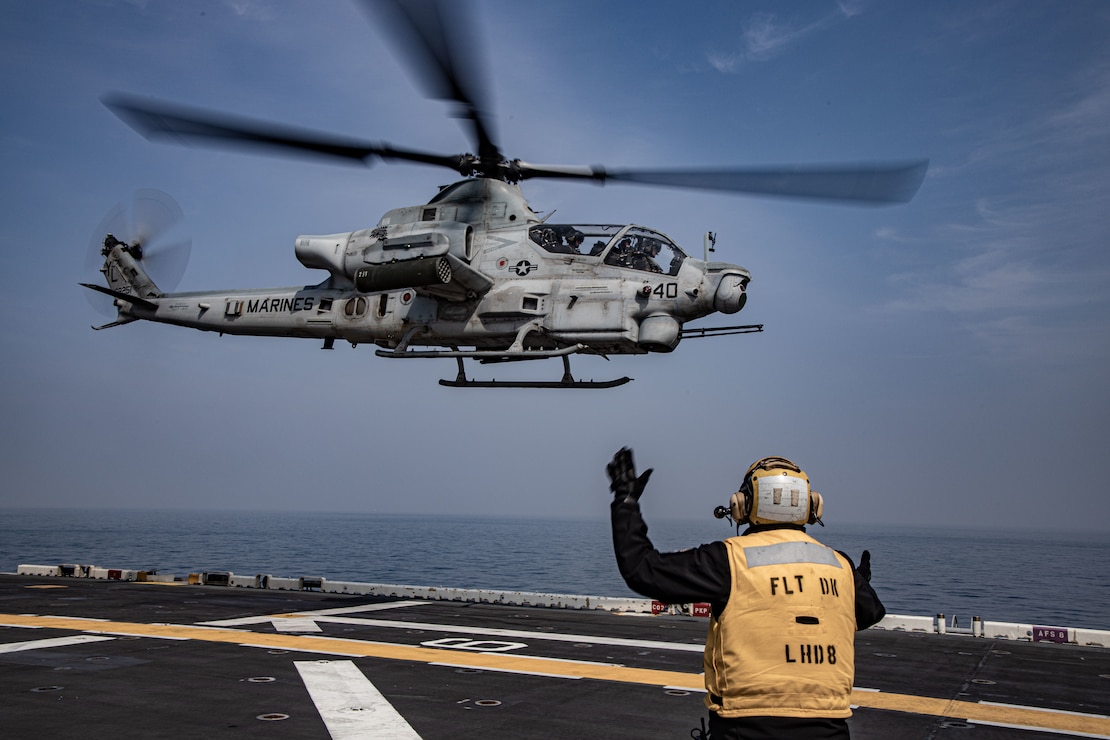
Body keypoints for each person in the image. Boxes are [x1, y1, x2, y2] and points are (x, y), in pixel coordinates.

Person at [607, 448, 885, 739]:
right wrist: (857, 582)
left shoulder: (729, 560)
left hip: (745, 728)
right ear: (813, 506)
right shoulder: (839, 565)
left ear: (741, 505)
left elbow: (643, 570)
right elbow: (871, 612)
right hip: (830, 729)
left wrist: (625, 500)